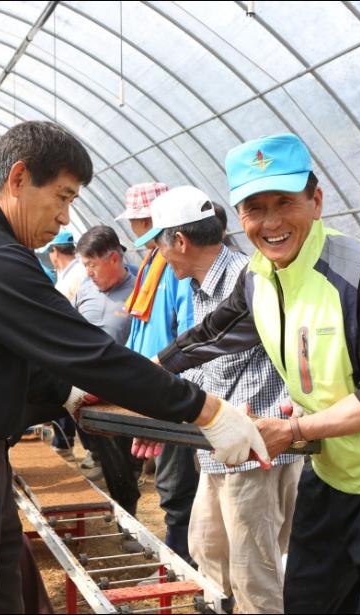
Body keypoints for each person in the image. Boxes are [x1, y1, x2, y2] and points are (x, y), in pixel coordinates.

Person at [0, 121, 267, 614]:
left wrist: (69, 394)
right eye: (60, 197)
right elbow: (88, 351)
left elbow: (21, 359)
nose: (64, 219)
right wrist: (207, 411)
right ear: (18, 179)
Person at [156, 133, 360, 614]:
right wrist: (143, 372)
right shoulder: (259, 278)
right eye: (254, 209)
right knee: (309, 601)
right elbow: (208, 336)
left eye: (284, 202)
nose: (271, 223)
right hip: (330, 471)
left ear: (315, 201)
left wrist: (294, 428)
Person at [134, 185, 302, 613]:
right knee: (207, 551)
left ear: (181, 242)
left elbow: (211, 346)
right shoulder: (200, 285)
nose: (157, 259)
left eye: (158, 248)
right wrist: (159, 415)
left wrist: (147, 377)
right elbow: (203, 362)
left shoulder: (250, 280)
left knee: (254, 574)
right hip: (215, 449)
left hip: (254, 452)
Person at [119, 181, 199, 561]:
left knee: (175, 486)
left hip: (170, 394)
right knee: (170, 483)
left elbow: (187, 333)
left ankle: (182, 561)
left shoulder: (174, 265)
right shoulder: (153, 261)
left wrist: (169, 395)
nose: (132, 228)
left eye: (135, 220)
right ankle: (180, 557)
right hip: (151, 390)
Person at [72, 225, 141, 513]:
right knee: (113, 460)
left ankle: (131, 510)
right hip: (91, 391)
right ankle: (126, 511)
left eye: (92, 265)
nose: (88, 272)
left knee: (129, 460)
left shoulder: (140, 286)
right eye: (84, 265)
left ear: (114, 259)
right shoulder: (85, 288)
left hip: (129, 391)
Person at [42, 230, 83, 461]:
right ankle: (65, 443)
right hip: (66, 344)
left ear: (54, 252)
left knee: (66, 395)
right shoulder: (66, 274)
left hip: (67, 345)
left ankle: (64, 444)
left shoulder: (73, 275)